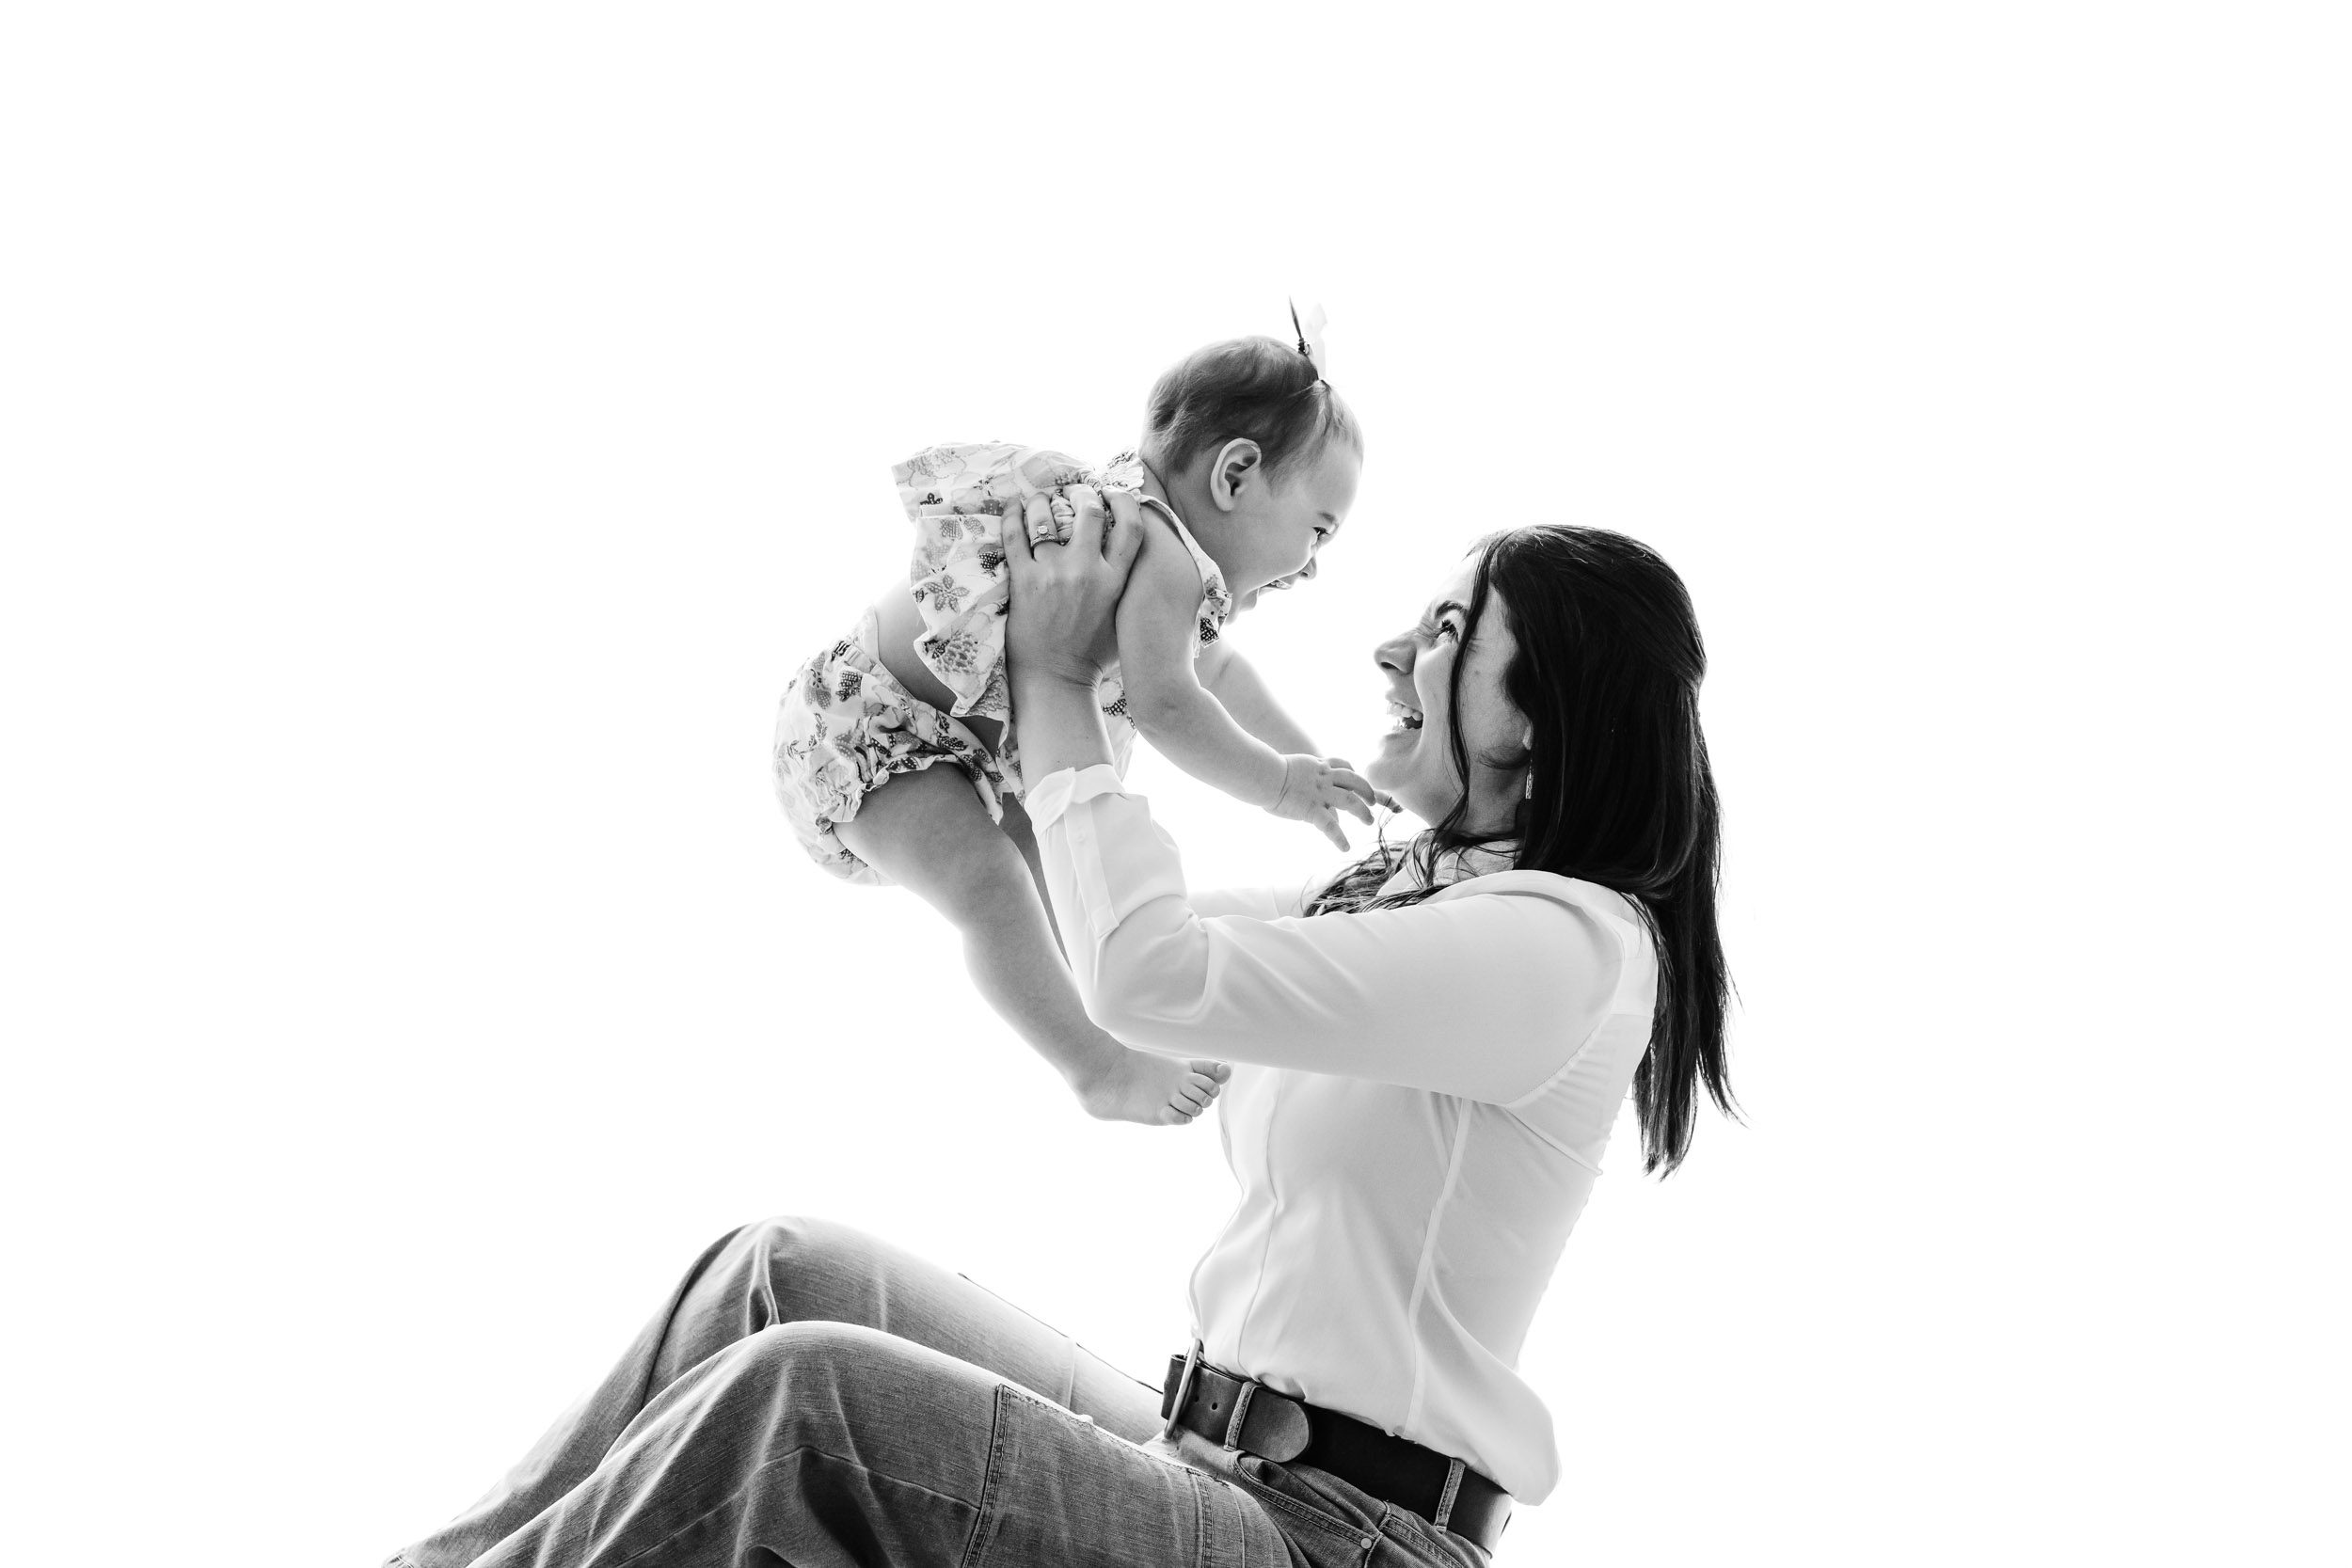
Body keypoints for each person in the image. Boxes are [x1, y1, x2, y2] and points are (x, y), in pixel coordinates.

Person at [388, 497, 1734, 1567]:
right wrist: (916, 717)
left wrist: (1055, 673)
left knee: (808, 1403)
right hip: (1210, 1458)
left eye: (1448, 629)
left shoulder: (1564, 946)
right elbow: (1105, 949)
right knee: (775, 1273)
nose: (1393, 650)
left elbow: (1150, 970)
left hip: (1341, 1539)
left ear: (1539, 712)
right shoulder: (1402, 895)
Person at [771, 327, 1374, 1128]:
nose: (1312, 563)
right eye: (1319, 529)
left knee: (1053, 866)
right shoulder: (1158, 549)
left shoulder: (1146, 520)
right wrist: (1282, 785)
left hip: (932, 743)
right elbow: (1170, 705)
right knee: (994, 887)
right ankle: (1097, 1067)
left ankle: (1115, 1015)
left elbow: (1217, 672)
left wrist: (1305, 754)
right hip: (868, 736)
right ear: (1235, 474)